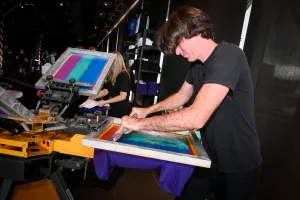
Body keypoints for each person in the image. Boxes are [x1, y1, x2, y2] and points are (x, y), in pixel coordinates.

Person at [117, 6, 261, 200]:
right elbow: (182, 96)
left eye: (179, 43)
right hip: (209, 157)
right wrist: (147, 111)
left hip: (239, 163)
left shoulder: (229, 56)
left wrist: (139, 124)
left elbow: (196, 117)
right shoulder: (196, 65)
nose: (177, 52)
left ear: (198, 31)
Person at [90, 52, 131, 118]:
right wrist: (94, 96)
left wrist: (105, 102)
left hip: (123, 110)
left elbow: (122, 96)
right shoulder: (112, 75)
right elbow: (106, 90)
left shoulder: (124, 76)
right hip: (114, 107)